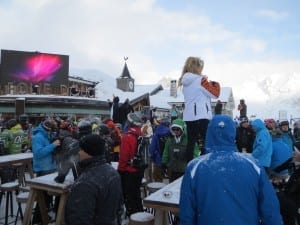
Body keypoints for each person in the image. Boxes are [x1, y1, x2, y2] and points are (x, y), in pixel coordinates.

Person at [179, 115, 282, 225]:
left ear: (209, 133)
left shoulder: (195, 167)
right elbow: (270, 208)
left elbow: (186, 212)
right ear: (232, 133)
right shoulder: (253, 165)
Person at [65, 134, 123, 225]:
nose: (79, 152)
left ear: (89, 152)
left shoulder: (85, 183)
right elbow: (118, 208)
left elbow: (78, 219)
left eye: (81, 149)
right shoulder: (113, 172)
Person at [178, 56, 220, 162]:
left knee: (191, 142)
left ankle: (189, 166)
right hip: (201, 115)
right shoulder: (200, 80)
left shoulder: (185, 82)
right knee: (207, 141)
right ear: (197, 67)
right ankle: (209, 163)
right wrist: (216, 84)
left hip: (189, 116)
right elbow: (215, 94)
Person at [31, 118, 61, 223]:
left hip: (50, 169)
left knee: (48, 198)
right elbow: (38, 154)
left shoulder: (47, 135)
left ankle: (44, 217)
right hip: (42, 170)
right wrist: (53, 145)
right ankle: (38, 219)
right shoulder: (38, 137)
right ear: (47, 128)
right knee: (43, 199)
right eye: (52, 130)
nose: (52, 132)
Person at [118, 112, 144, 216]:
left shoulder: (128, 136)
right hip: (139, 169)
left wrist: (120, 170)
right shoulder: (140, 134)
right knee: (136, 194)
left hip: (129, 171)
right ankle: (140, 214)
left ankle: (133, 217)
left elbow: (124, 156)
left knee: (129, 196)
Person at [149, 117, 171, 182]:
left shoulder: (156, 133)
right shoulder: (171, 133)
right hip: (169, 160)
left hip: (158, 158)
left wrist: (152, 155)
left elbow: (152, 146)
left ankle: (158, 190)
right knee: (171, 179)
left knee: (157, 178)